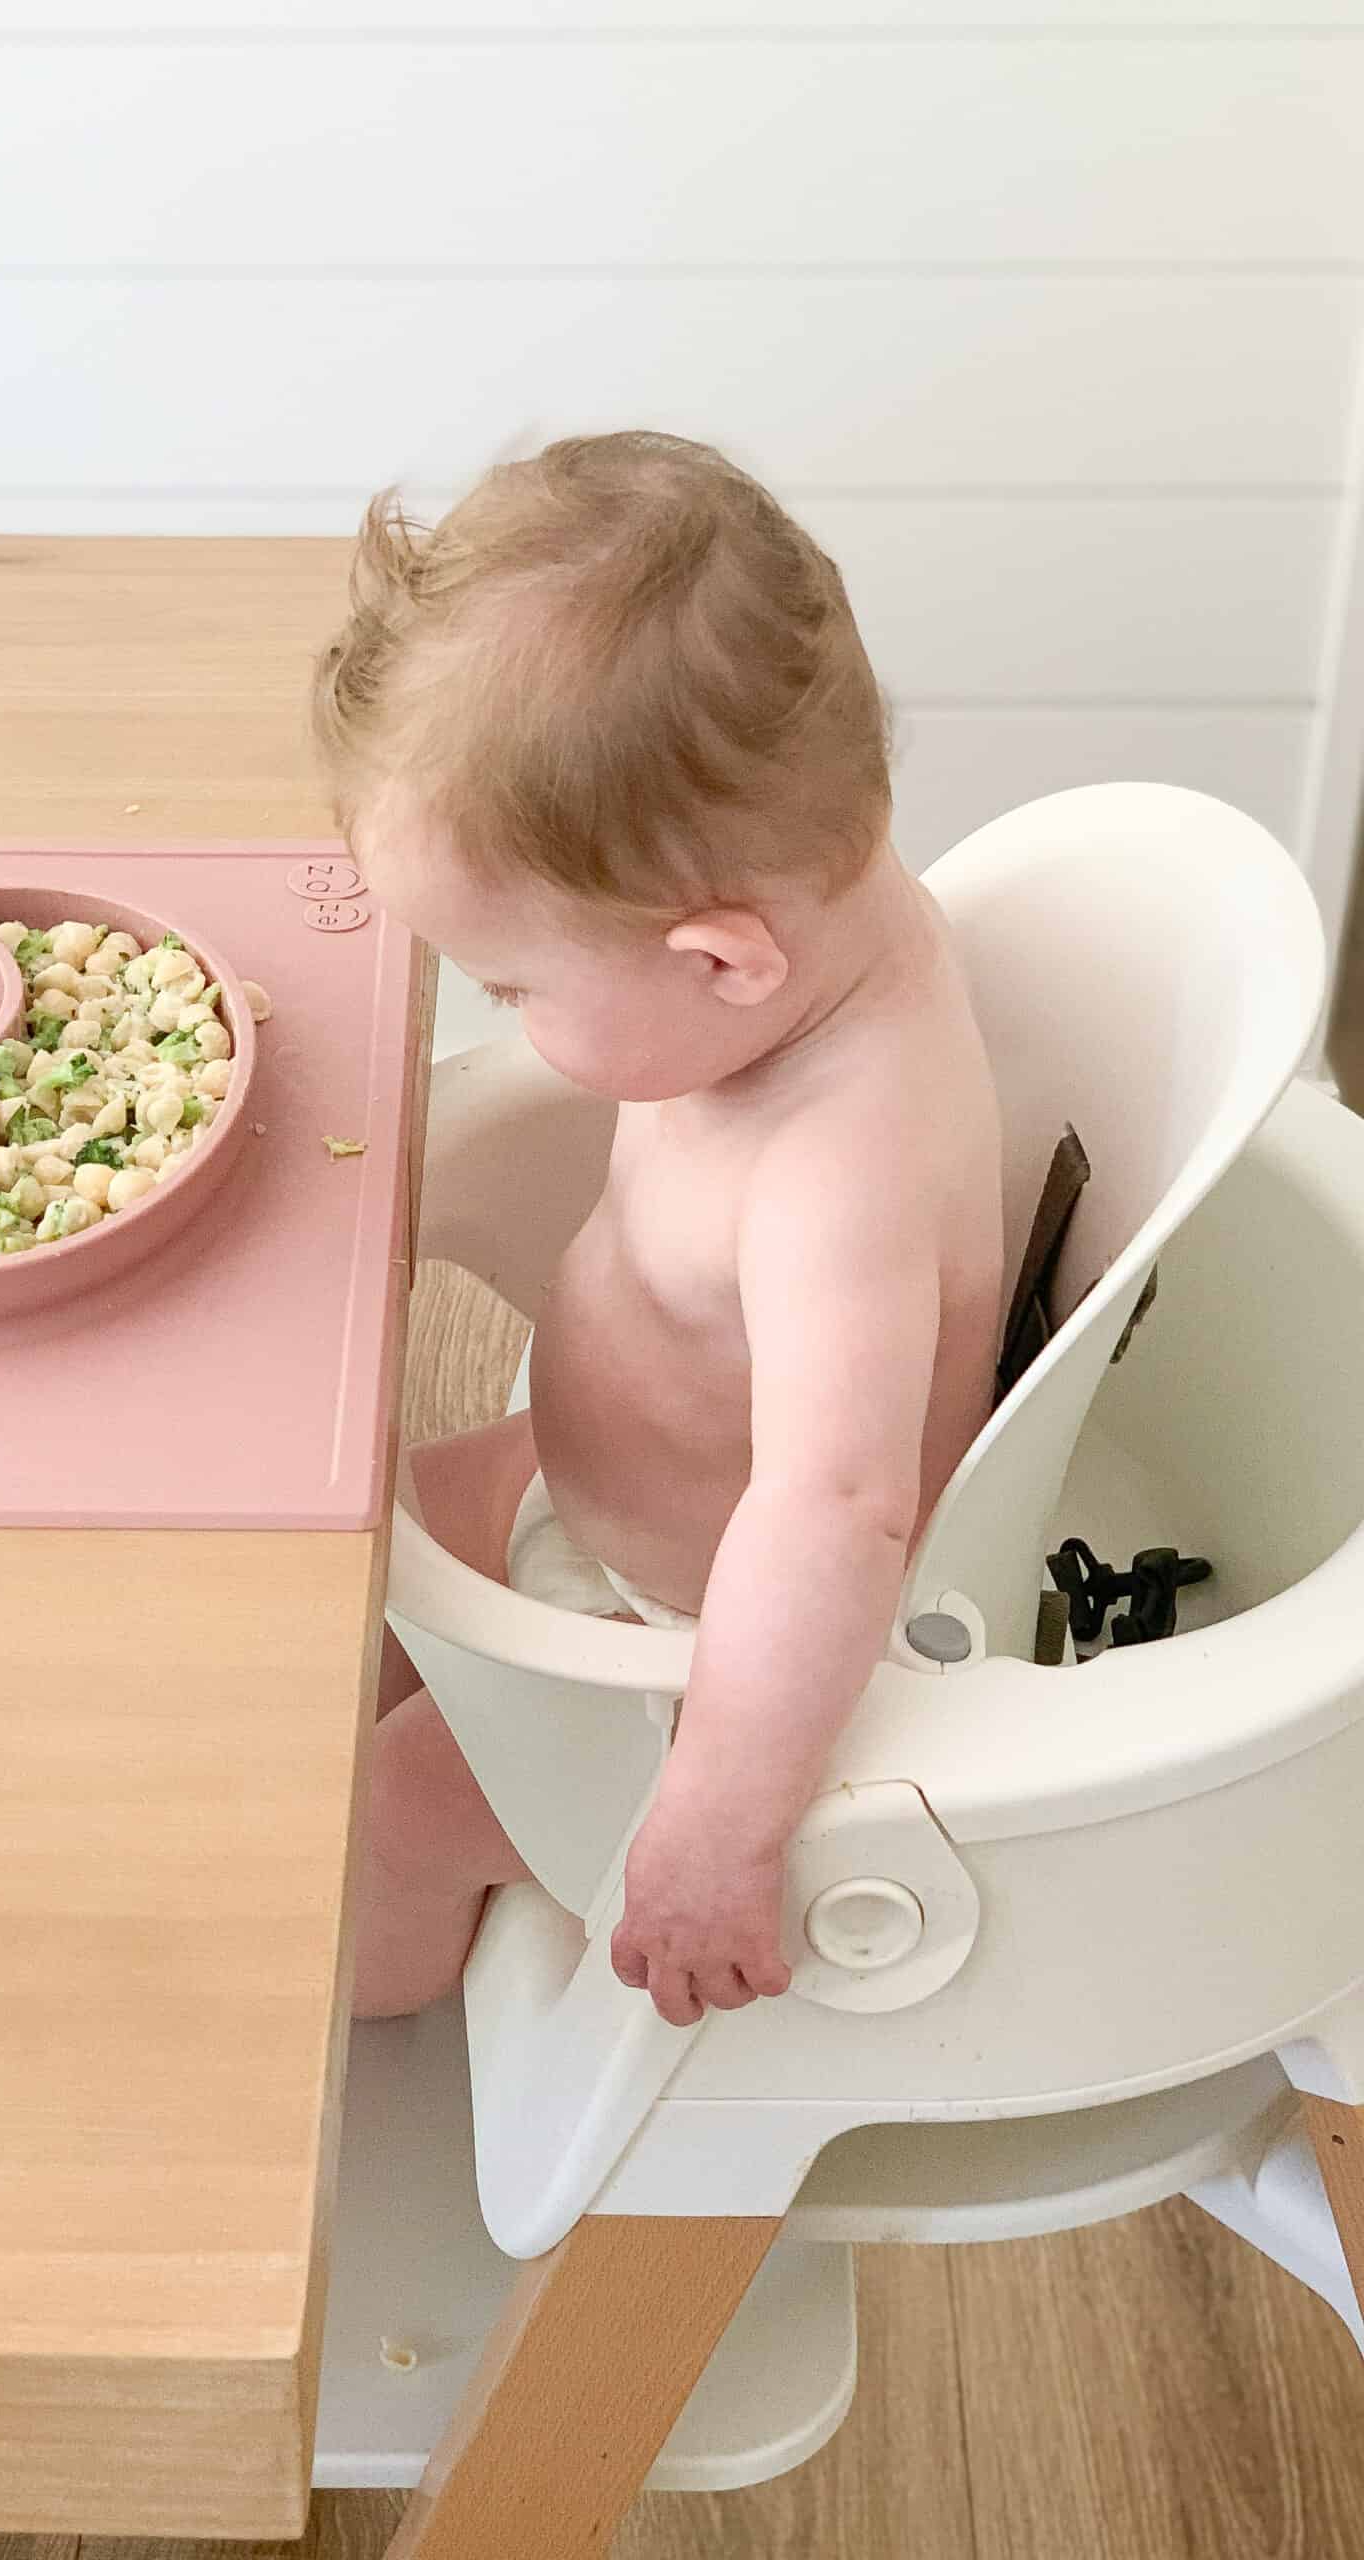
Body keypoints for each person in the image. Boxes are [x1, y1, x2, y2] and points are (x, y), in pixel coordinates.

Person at [312, 431, 1005, 2029]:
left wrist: (716, 1821)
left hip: (698, 1643)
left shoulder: (843, 1171)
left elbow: (833, 1513)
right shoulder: (814, 919)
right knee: (327, 1571)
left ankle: (367, 2052)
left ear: (722, 963)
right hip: (587, 1485)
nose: (501, 1012)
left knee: (392, 1816)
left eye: (513, 987)